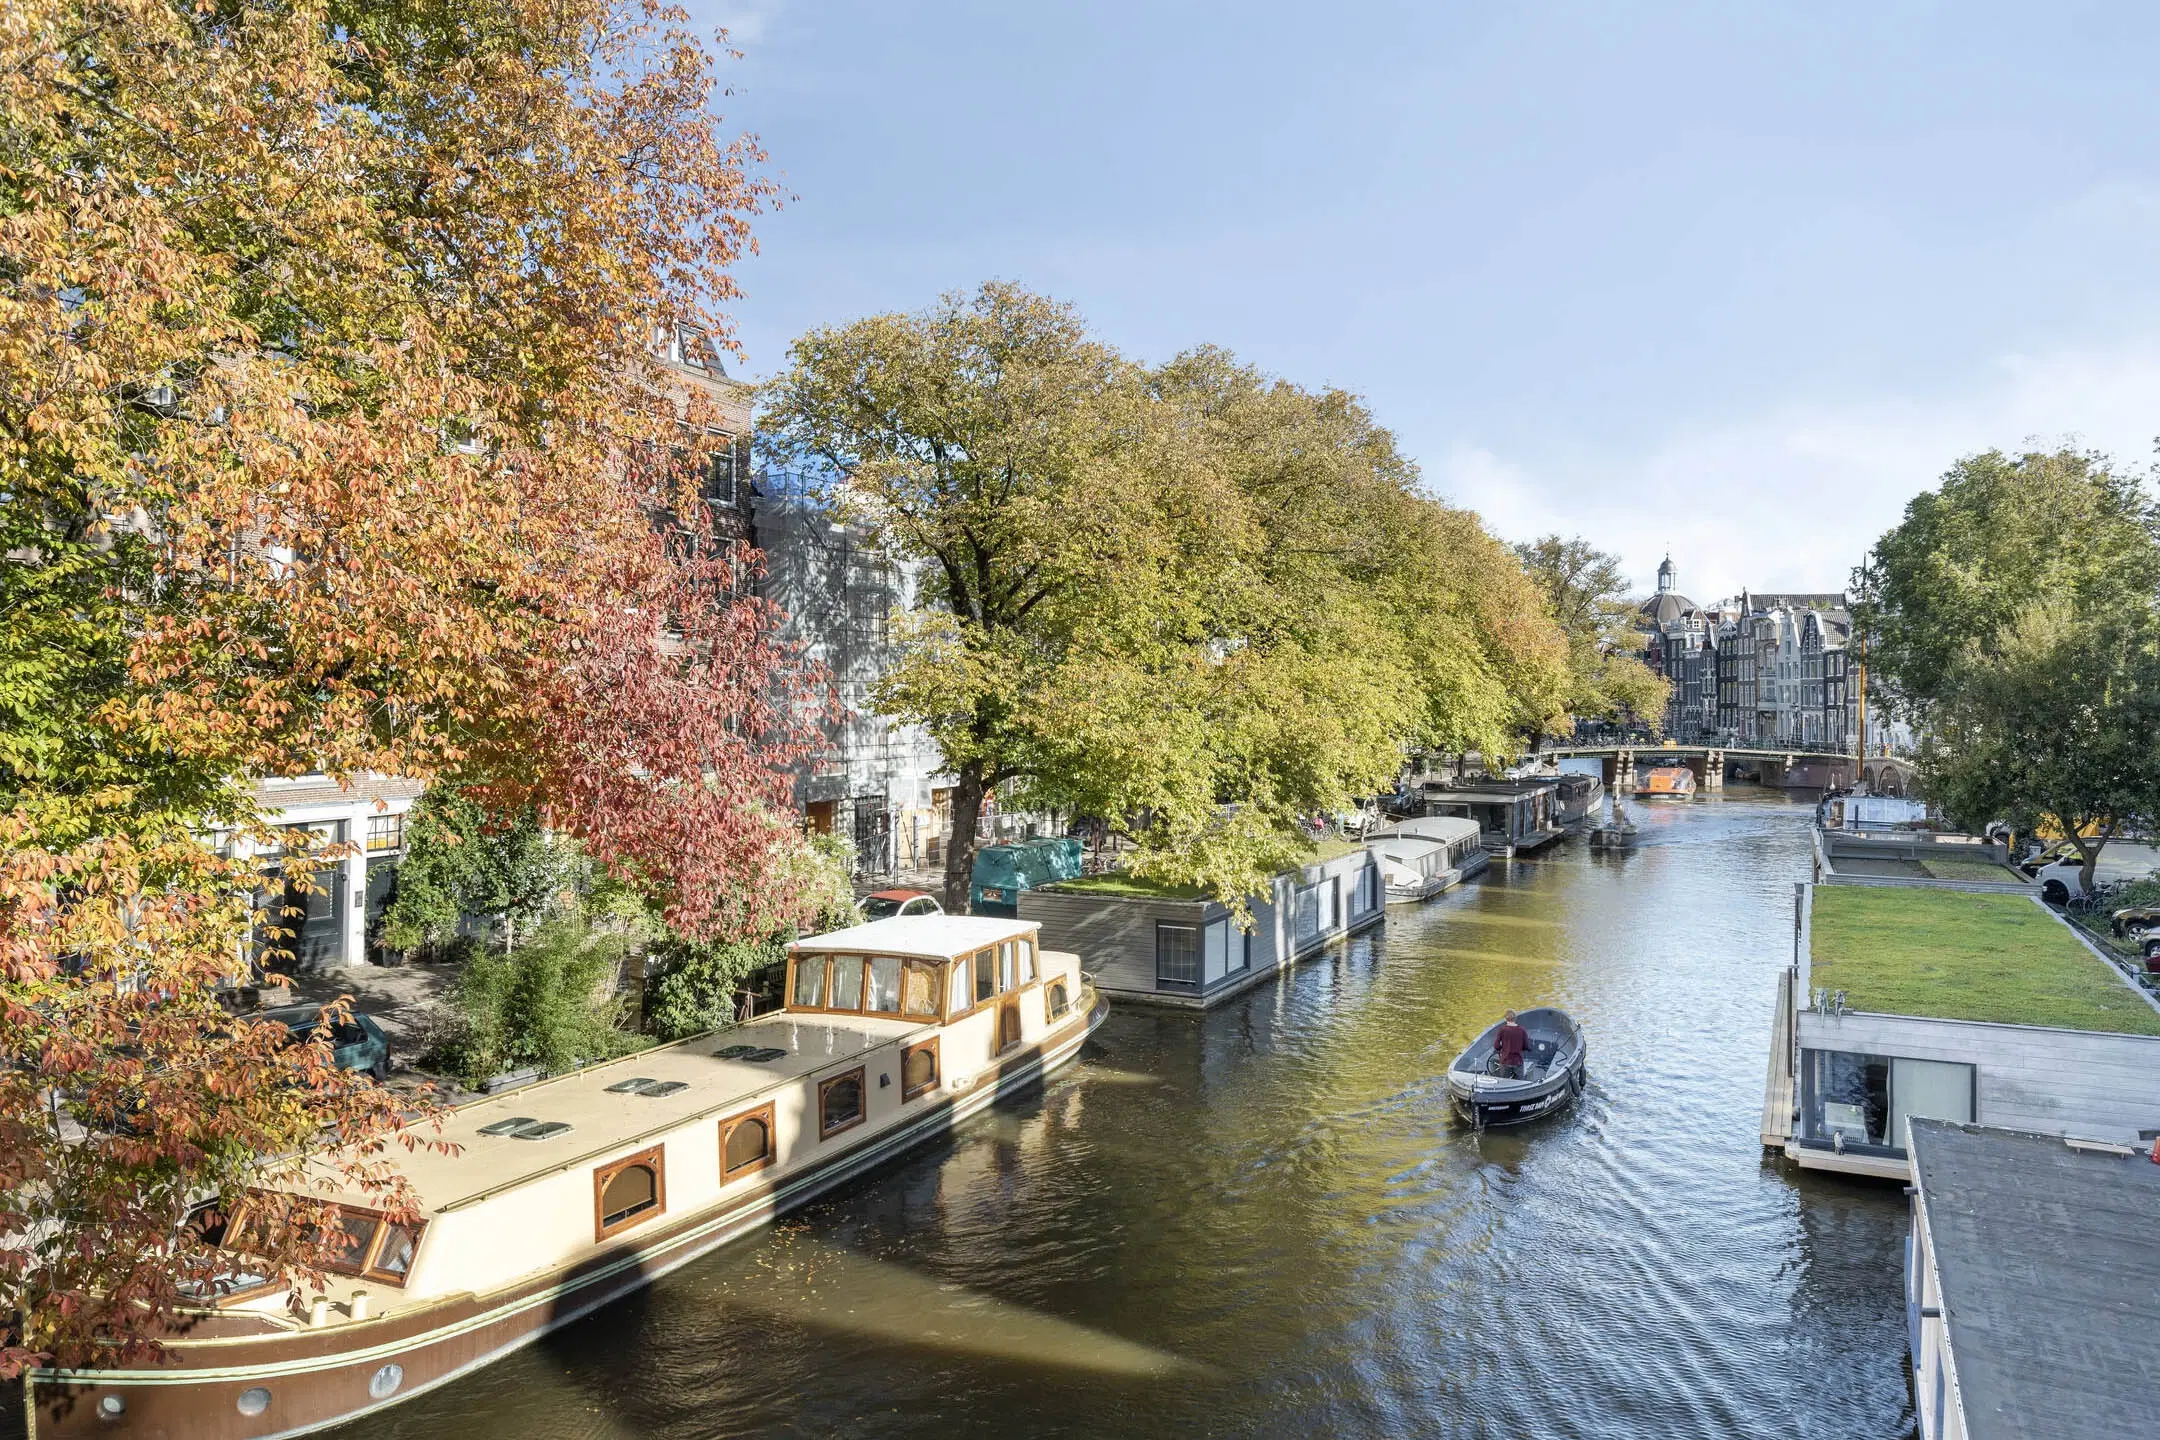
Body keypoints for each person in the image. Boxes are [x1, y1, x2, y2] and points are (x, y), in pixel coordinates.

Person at [1493, 1010, 1530, 1079]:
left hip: (1505, 1061)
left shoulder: (1502, 1030)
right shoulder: (1522, 1030)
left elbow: (1496, 1046)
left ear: (1505, 1019)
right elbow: (1526, 1046)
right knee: (1519, 1083)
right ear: (1515, 1018)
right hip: (1517, 1061)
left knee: (1504, 1081)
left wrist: (1502, 1048)